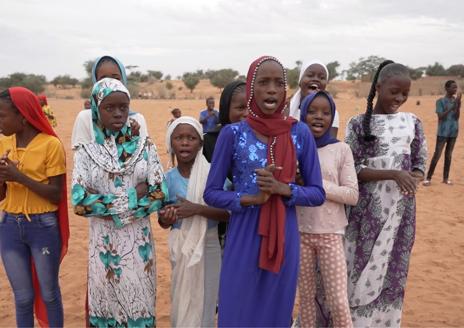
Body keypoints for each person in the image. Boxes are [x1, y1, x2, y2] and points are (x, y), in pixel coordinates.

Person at [204, 56, 325, 327]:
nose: (271, 89)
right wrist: (251, 198)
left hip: (285, 236)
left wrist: (284, 189)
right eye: (263, 82)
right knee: (237, 308)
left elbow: (317, 193)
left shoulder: (300, 133)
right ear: (251, 90)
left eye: (278, 83)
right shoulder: (232, 134)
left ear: (285, 91)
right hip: (244, 233)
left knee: (275, 312)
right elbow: (211, 193)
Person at [71, 78, 168, 327]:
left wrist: (105, 203)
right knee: (106, 310)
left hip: (139, 247)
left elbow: (159, 194)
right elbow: (81, 202)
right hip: (104, 248)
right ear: (96, 110)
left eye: (123, 107)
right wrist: (133, 197)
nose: (117, 113)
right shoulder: (85, 152)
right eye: (109, 107)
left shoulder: (146, 148)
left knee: (140, 306)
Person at [344, 61, 427, 327]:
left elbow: (419, 163)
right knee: (359, 266)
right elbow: (351, 169)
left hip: (400, 215)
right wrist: (392, 173)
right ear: (379, 87)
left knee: (393, 269)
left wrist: (413, 177)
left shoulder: (413, 122)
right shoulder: (357, 124)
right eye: (394, 92)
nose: (400, 99)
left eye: (405, 94)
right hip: (365, 214)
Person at [0, 87, 69, 327]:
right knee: (22, 297)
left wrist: (19, 176)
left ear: (22, 116)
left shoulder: (51, 145)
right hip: (9, 226)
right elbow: (1, 195)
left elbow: (55, 195)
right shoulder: (3, 142)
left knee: (49, 293)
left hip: (42, 227)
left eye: (1, 115)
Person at [159, 116, 229, 327]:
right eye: (179, 138)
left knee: (207, 301)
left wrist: (197, 209)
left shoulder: (214, 176)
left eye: (191, 137)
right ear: (171, 143)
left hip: (209, 244)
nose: (185, 142)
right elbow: (162, 220)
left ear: (200, 143)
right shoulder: (167, 179)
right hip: (180, 244)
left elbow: (228, 213)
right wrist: (167, 217)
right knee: (182, 297)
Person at [296, 90, 358, 328]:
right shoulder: (295, 148)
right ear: (303, 114)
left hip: (331, 234)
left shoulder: (341, 149)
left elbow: (352, 195)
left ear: (333, 117)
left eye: (325, 112)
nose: (318, 117)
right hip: (300, 233)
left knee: (338, 301)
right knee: (306, 301)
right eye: (311, 111)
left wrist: (316, 184)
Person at [71, 55, 147, 149]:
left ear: (123, 80)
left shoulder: (137, 119)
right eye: (103, 79)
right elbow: (81, 157)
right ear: (95, 82)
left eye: (116, 78)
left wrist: (134, 137)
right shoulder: (86, 118)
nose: (110, 84)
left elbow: (144, 156)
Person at [423, 80, 461, 185]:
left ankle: (445, 178)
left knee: (448, 156)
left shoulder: (455, 100)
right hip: (442, 132)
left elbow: (457, 117)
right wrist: (452, 107)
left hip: (453, 132)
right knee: (437, 155)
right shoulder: (440, 101)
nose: (455, 89)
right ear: (447, 88)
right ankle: (428, 178)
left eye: (456, 87)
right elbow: (440, 116)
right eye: (453, 87)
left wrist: (458, 104)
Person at [289, 60, 340, 137]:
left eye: (322, 77)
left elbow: (330, 145)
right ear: (300, 81)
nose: (316, 79)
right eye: (310, 75)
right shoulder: (287, 108)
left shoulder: (331, 112)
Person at [203, 80, 247, 162]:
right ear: (226, 109)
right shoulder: (209, 142)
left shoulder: (263, 139)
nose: (247, 114)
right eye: (240, 108)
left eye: (251, 108)